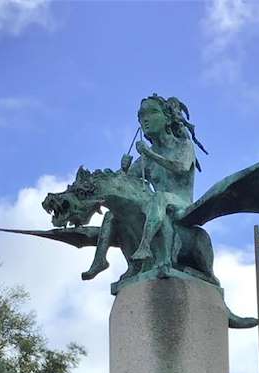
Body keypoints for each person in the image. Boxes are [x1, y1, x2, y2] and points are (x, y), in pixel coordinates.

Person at [82, 94, 205, 280]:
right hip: (155, 209)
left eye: (152, 112)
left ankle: (145, 246)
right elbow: (126, 188)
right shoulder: (144, 159)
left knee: (160, 197)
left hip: (181, 204)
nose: (145, 119)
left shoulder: (184, 145)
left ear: (168, 118)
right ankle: (102, 261)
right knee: (113, 214)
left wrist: (150, 154)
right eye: (141, 116)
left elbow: (180, 167)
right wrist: (123, 171)